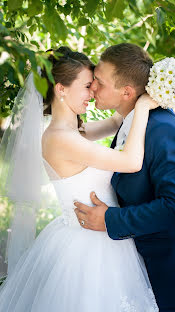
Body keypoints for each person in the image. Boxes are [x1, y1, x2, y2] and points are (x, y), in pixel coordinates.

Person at [0, 46, 159, 311]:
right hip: (87, 246)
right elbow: (131, 162)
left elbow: (114, 121)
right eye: (87, 85)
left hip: (103, 235)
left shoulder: (73, 133)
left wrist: (137, 90)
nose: (93, 91)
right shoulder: (60, 139)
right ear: (61, 89)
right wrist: (143, 106)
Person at [74, 43, 175, 312]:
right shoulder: (133, 120)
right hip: (147, 267)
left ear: (126, 92)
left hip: (173, 275)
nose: (92, 88)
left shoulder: (162, 131)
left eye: (99, 82)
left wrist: (110, 219)